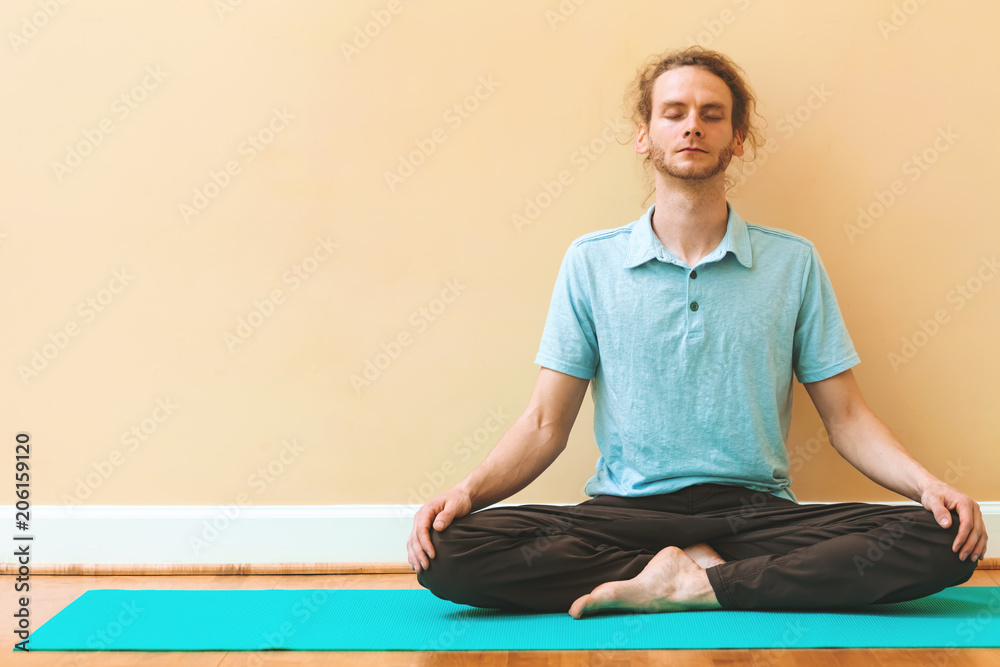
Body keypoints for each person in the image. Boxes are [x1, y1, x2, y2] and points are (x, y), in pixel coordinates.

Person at [406, 46, 987, 618]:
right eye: (674, 112)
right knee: (450, 550)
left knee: (942, 536)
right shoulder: (591, 262)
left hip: (755, 514)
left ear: (737, 139)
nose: (693, 126)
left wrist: (927, 486)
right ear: (645, 134)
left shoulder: (793, 263)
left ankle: (695, 581)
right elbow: (543, 424)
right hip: (624, 515)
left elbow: (849, 420)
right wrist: (468, 492)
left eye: (712, 114)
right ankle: (702, 575)